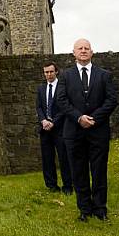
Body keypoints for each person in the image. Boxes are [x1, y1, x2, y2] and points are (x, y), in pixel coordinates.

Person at [56, 38, 118, 222]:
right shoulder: (65, 77)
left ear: (92, 52)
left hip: (98, 131)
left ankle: (100, 209)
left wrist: (94, 118)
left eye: (86, 48)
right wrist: (78, 117)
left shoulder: (104, 75)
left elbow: (111, 100)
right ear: (73, 53)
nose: (83, 51)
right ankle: (84, 209)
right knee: (79, 171)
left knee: (99, 170)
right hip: (74, 132)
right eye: (80, 48)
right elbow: (61, 101)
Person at [36, 62, 72, 195]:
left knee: (64, 158)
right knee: (47, 158)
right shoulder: (41, 88)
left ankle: (68, 186)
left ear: (56, 72)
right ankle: (51, 186)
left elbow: (65, 107)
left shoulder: (63, 88)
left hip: (60, 128)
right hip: (45, 129)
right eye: (46, 72)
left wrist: (53, 122)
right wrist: (43, 120)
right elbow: (39, 107)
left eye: (51, 72)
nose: (48, 74)